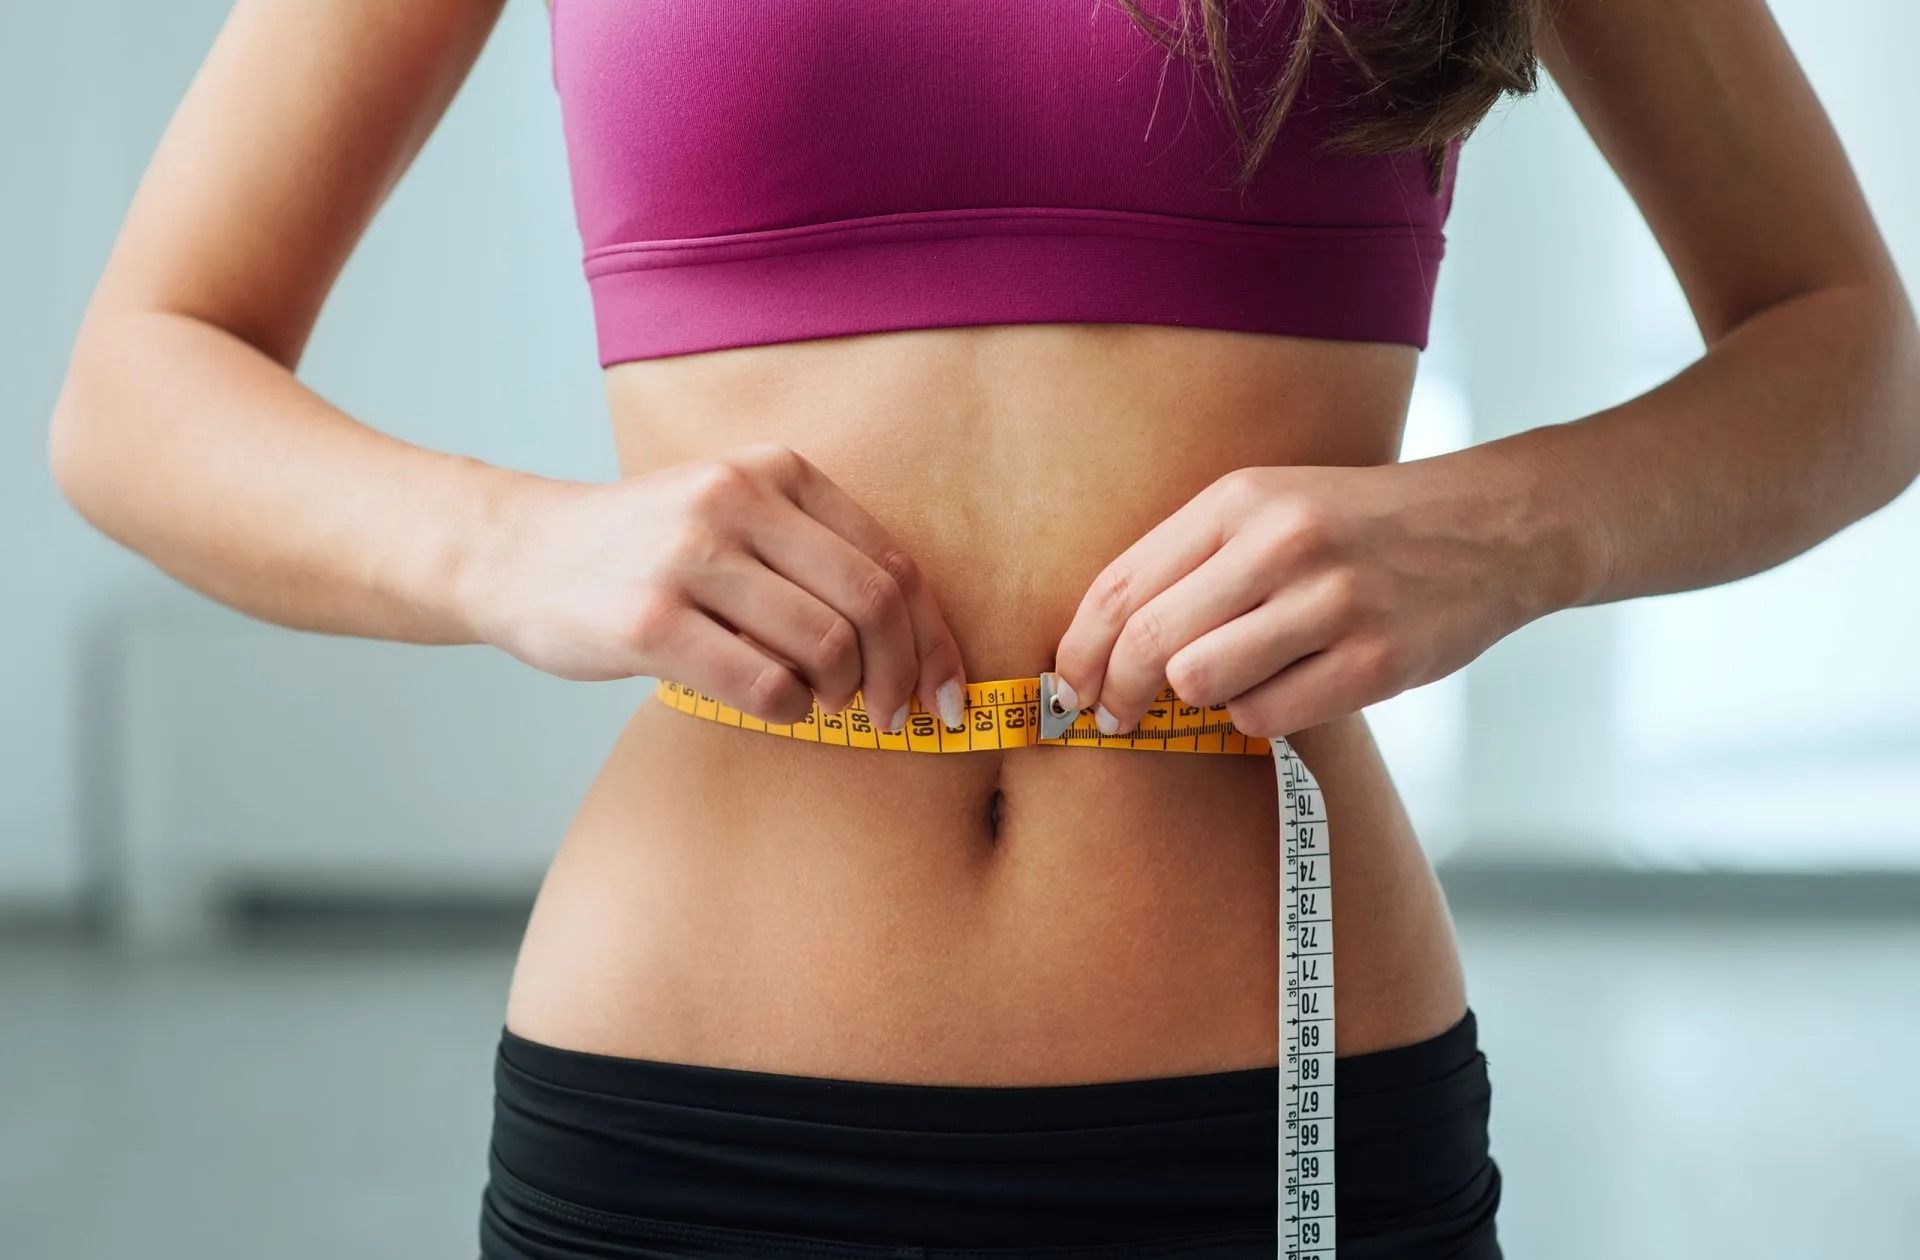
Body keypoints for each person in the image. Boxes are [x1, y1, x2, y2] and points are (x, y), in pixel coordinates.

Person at [47, 1, 1919, 1257]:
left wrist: (1509, 528)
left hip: (1292, 1096)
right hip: (689, 1115)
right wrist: (509, 549)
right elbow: (138, 386)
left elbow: (1848, 352)